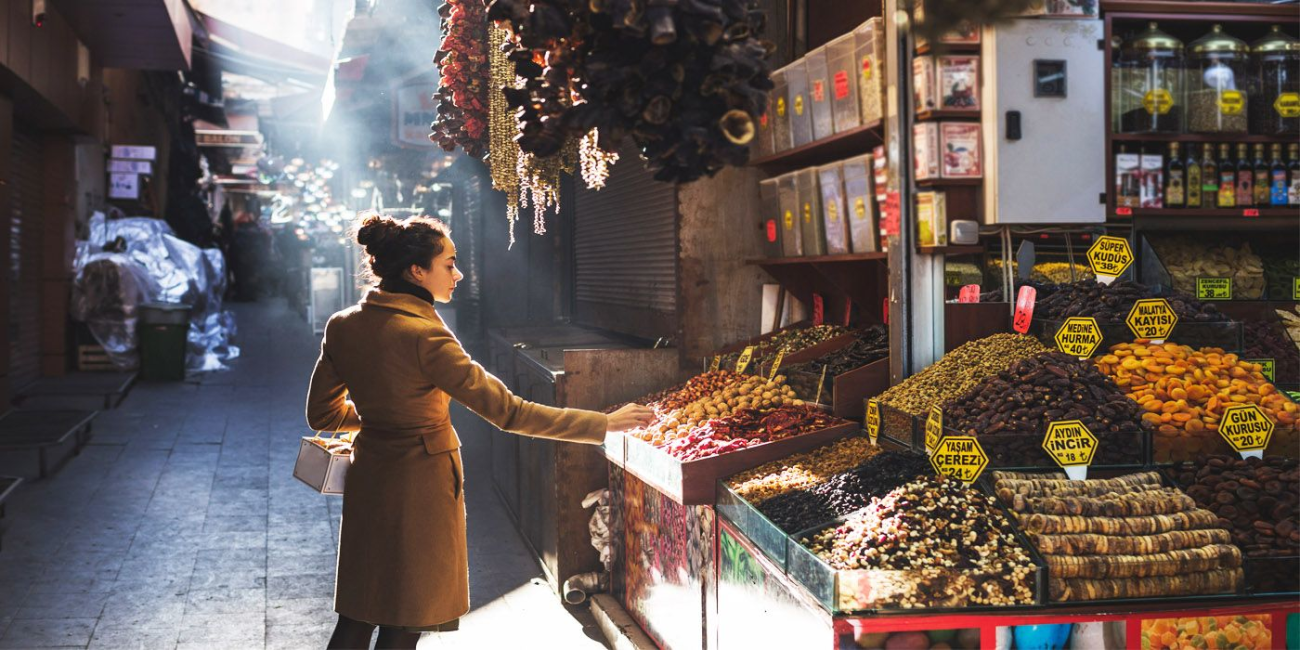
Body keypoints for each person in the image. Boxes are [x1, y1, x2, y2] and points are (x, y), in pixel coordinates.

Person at [306, 212, 653, 649]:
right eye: (449, 264)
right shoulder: (426, 336)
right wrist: (602, 424)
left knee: (358, 613)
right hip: (421, 486)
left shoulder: (343, 325)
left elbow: (322, 414)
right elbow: (509, 412)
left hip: (369, 479)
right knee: (406, 618)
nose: (459, 275)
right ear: (417, 271)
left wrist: (383, 416)